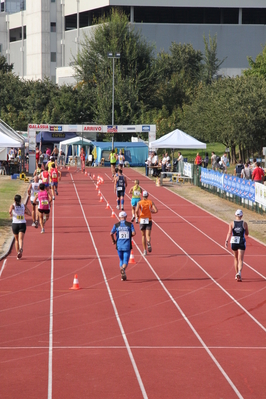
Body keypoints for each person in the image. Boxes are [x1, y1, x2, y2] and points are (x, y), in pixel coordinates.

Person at [110, 211, 136, 281]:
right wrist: (129, 235)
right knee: (125, 261)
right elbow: (134, 233)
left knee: (121, 260)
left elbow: (111, 233)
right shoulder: (130, 225)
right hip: (127, 245)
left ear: (119, 217)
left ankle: (122, 275)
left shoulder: (116, 225)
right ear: (126, 216)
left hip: (119, 246)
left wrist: (113, 240)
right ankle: (123, 269)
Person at [225, 209, 249, 282]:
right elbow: (247, 233)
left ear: (235, 215)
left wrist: (226, 240)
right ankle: (239, 272)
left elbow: (229, 233)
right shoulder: (244, 223)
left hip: (234, 241)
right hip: (241, 241)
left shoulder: (232, 223)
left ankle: (236, 274)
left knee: (235, 258)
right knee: (240, 259)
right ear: (241, 216)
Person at [135, 191, 158, 256]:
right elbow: (156, 210)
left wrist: (137, 216)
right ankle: (148, 242)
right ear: (147, 195)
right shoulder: (150, 202)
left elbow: (136, 210)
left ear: (142, 196)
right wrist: (152, 212)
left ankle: (145, 251)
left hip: (142, 219)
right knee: (148, 235)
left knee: (143, 235)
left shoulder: (139, 202)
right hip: (149, 219)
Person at [9, 194, 31, 260]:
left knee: (16, 240)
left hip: (15, 224)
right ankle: (21, 248)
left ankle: (18, 252)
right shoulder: (23, 205)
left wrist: (11, 213)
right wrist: (25, 211)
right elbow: (29, 213)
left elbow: (10, 211)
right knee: (20, 239)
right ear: (20, 200)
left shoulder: (13, 205)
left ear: (14, 200)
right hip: (22, 223)